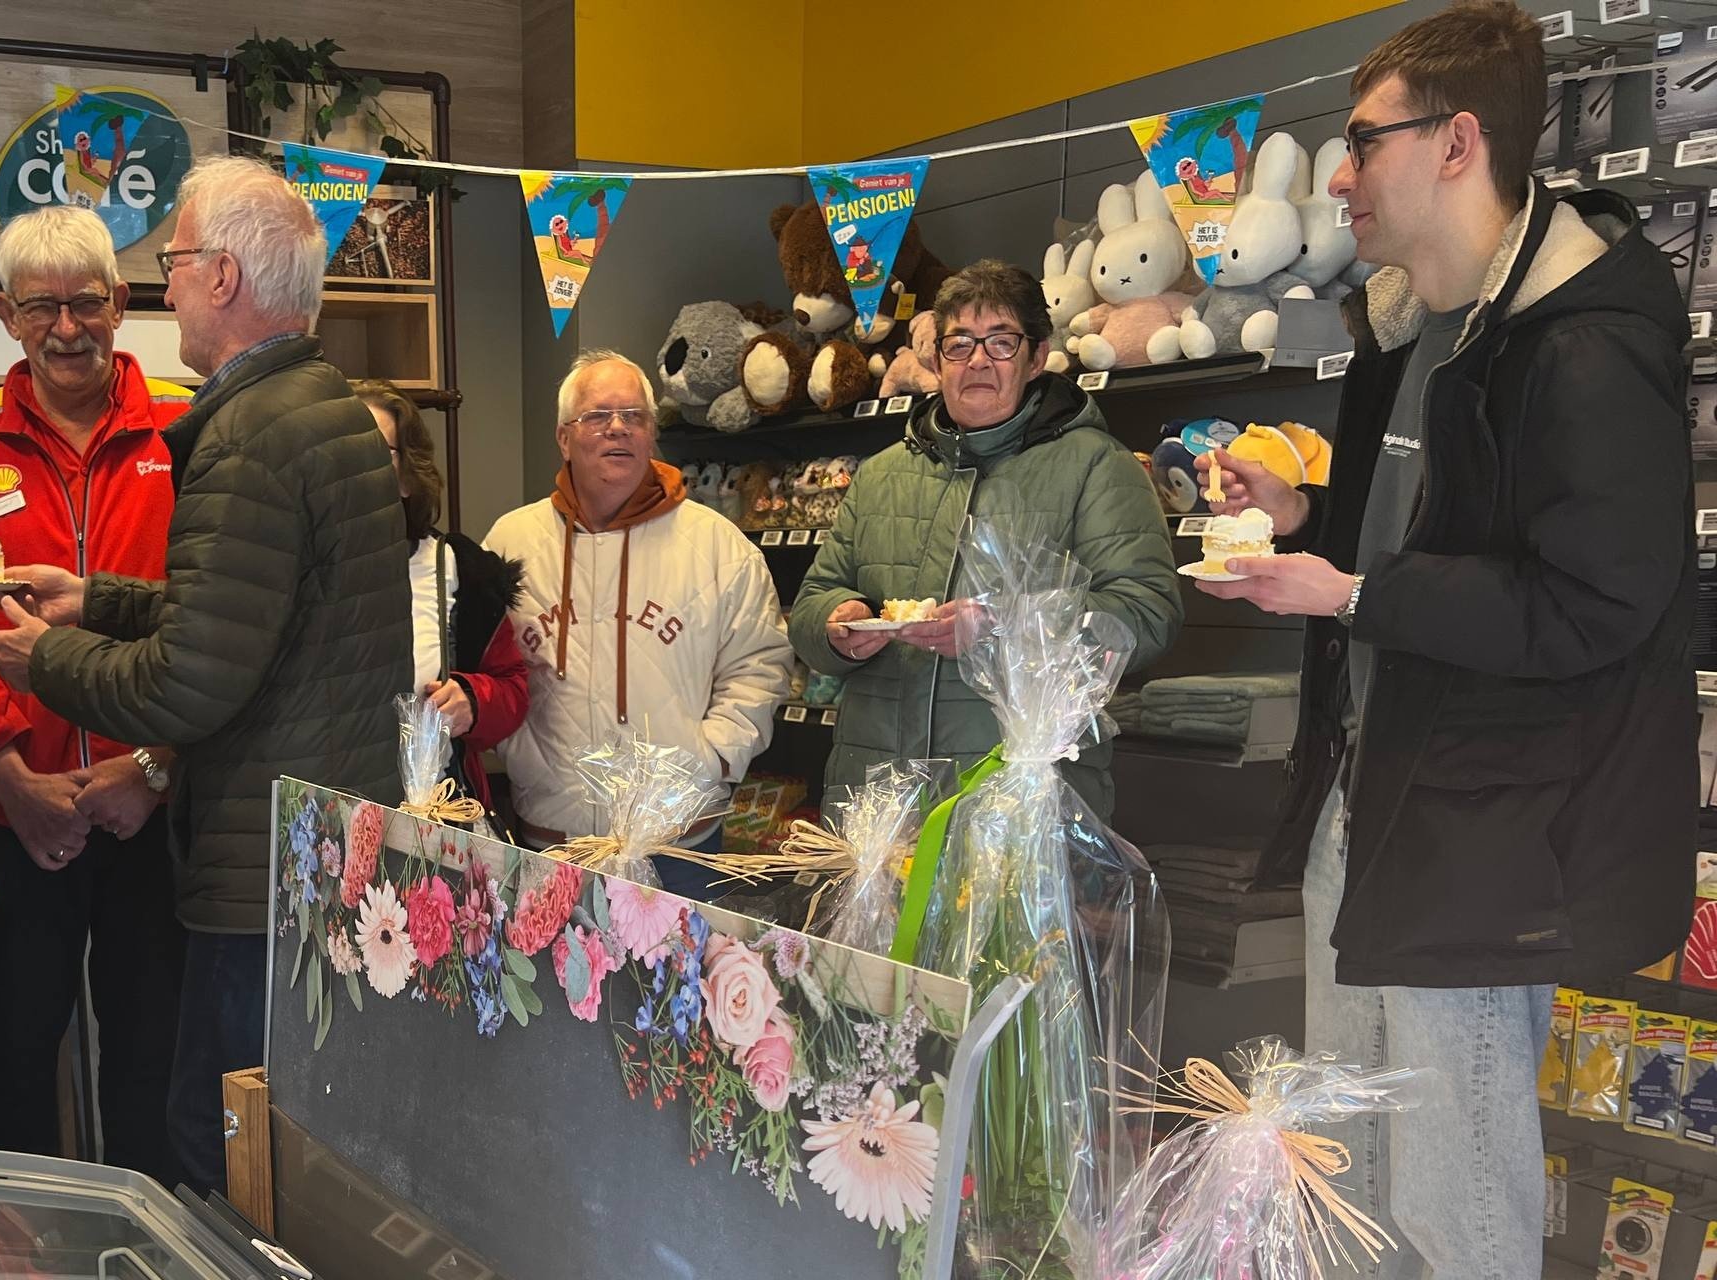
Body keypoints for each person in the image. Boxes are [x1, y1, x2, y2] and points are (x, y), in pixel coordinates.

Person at [1195, 4, 1694, 1273]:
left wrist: (1353, 597)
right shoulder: (1417, 323)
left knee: (1457, 1202)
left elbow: (1596, 601)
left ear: (1458, 141)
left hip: (1480, 841)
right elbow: (1416, 529)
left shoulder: (1580, 341)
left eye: (1363, 143)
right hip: (1369, 809)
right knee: (1349, 1173)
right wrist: (1303, 518)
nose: (1341, 176)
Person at [0, 155, 410, 1195]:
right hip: (309, 845)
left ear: (220, 276)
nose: (160, 292)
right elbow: (250, 615)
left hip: (254, 860)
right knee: (270, 1136)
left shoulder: (245, 433)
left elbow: (189, 683)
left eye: (168, 263)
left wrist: (49, 658)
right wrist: (102, 598)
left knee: (209, 1144)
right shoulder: (321, 403)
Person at [0, 206, 190, 1178]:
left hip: (155, 802)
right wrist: (11, 775)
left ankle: (160, 1240)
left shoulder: (189, 425)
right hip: (8, 808)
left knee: (156, 1051)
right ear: (3, 315)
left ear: (122, 304)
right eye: (40, 308)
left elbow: (217, 628)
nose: (66, 328)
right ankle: (23, 1245)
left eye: (85, 304)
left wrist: (154, 765)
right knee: (13, 1048)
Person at [787, 261, 1180, 817]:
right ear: (935, 357)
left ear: (1037, 358)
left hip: (1020, 798)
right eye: (959, 343)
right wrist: (835, 623)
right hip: (877, 794)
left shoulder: (1097, 466)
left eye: (1000, 343)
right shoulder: (881, 475)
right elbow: (810, 610)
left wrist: (1003, 626)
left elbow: (1146, 617)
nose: (976, 360)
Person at [482, 352, 793, 900]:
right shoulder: (511, 543)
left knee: (676, 988)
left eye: (635, 415)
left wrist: (712, 760)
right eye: (597, 416)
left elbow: (759, 665)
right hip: (555, 839)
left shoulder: (719, 546)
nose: (618, 428)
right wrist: (520, 752)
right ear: (563, 437)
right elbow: (487, 667)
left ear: (651, 433)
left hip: (681, 848)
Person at [356, 379, 530, 813]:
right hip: (323, 823)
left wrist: (472, 701)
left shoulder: (455, 569)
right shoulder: (287, 570)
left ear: (407, 477)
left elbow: (513, 689)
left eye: (376, 452)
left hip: (436, 818)